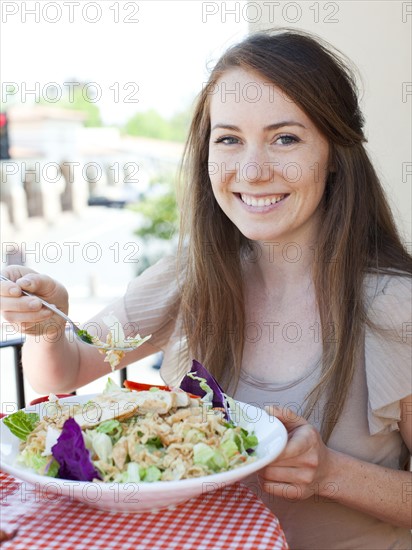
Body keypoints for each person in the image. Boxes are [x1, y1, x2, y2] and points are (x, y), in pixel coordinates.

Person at [1, 29, 411, 549]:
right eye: (229, 139)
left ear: (334, 152)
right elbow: (66, 370)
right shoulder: (196, 269)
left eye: (285, 137)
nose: (253, 170)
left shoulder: (396, 306)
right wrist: (44, 326)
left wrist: (331, 473)